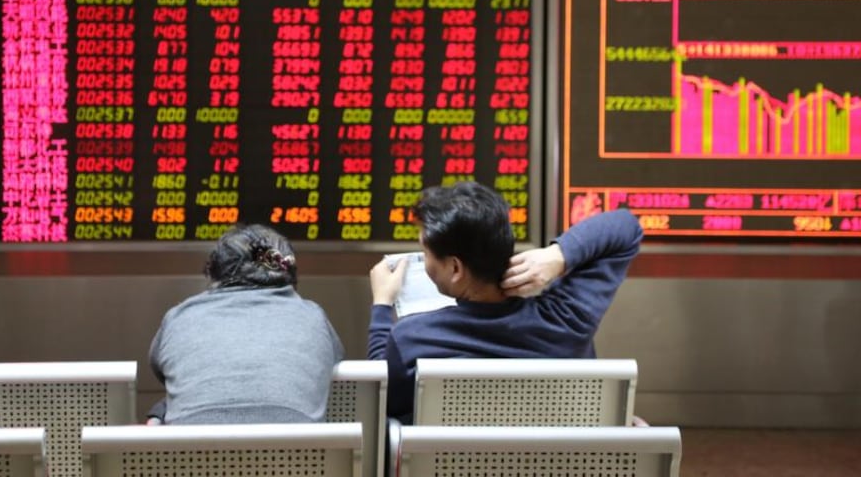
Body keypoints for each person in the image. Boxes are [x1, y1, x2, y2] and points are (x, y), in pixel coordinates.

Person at [367, 181, 643, 423]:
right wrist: (559, 255)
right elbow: (626, 227)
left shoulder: (414, 338)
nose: (424, 261)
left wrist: (381, 304)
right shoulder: (566, 320)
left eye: (425, 253)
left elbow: (379, 400)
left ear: (455, 268)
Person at [149, 223, 344, 424]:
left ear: (214, 271)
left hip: (192, 444)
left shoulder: (179, 317)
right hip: (299, 445)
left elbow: (164, 374)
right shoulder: (313, 317)